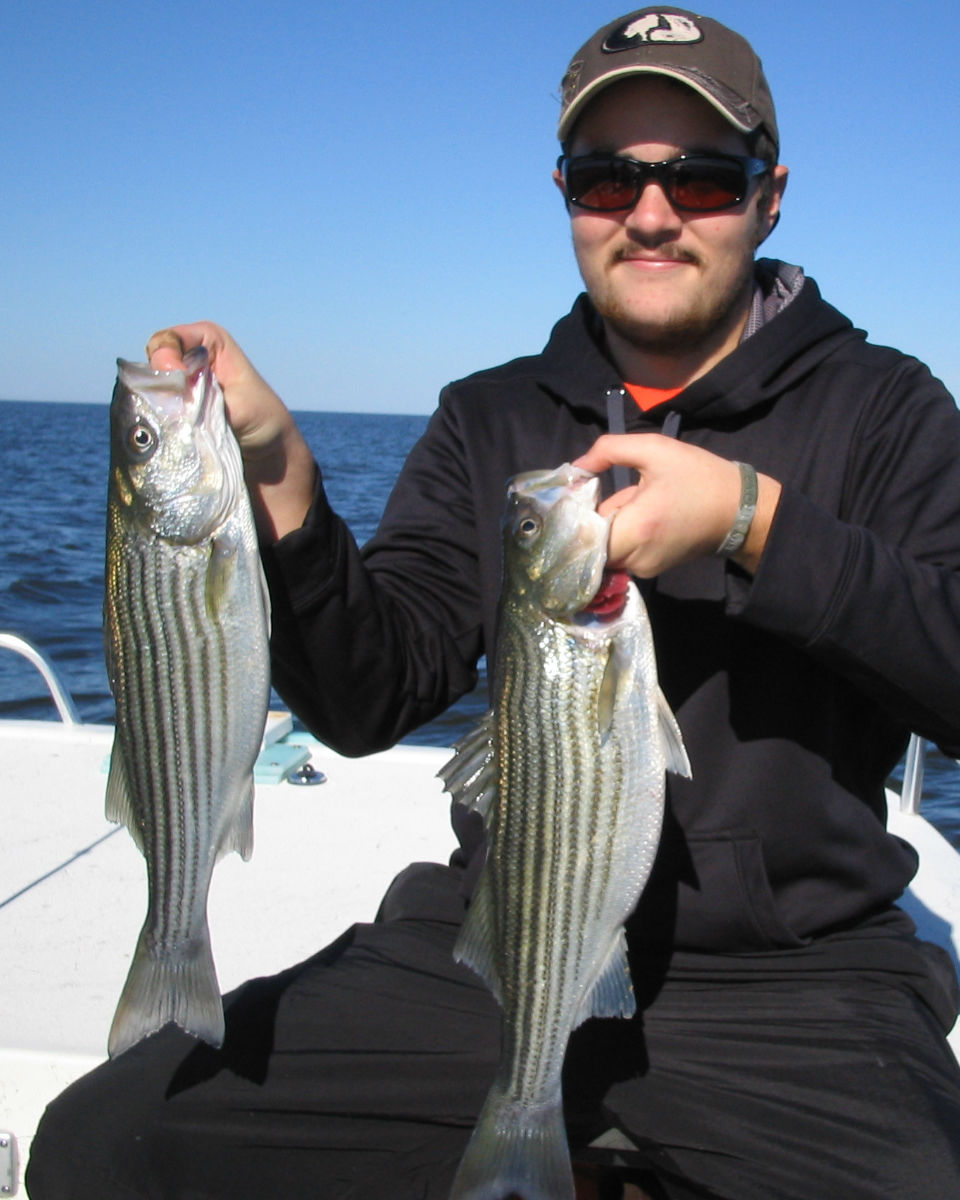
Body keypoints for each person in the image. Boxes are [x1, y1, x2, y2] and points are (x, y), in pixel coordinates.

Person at [27, 8, 960, 1199]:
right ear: (566, 195)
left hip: (799, 978)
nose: (652, 211)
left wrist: (753, 523)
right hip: (499, 928)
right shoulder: (491, 417)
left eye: (704, 178)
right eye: (607, 175)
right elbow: (375, 691)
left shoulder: (886, 409)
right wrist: (287, 496)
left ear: (771, 196)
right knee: (109, 1146)